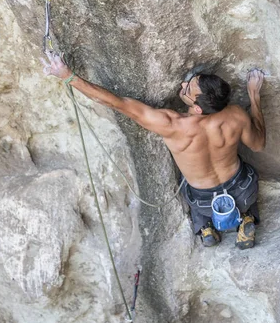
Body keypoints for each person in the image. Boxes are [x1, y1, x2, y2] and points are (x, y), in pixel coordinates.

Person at [41, 51, 266, 249]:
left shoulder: (172, 125)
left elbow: (117, 103)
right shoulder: (236, 115)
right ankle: (246, 217)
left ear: (197, 108)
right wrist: (254, 97)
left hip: (204, 202)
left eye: (187, 89)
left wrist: (68, 76)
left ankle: (205, 227)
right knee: (243, 173)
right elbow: (258, 145)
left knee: (190, 189)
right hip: (244, 190)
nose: (182, 86)